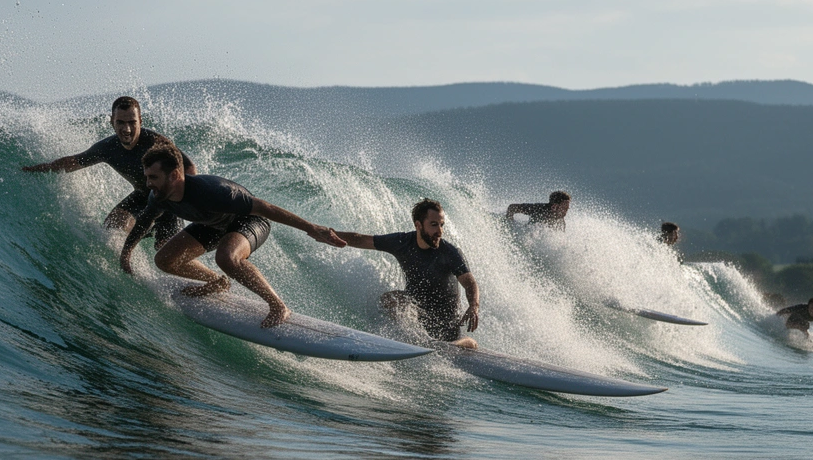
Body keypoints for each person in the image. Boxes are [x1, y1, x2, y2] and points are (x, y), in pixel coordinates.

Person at [119, 146, 346, 328]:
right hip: (212, 224)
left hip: (249, 222)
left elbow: (265, 208)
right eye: (147, 177)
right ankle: (217, 282)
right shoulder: (158, 197)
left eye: (154, 177)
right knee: (164, 260)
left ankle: (278, 306)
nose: (149, 184)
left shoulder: (214, 192)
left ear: (175, 175)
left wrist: (311, 228)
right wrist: (126, 252)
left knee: (227, 257)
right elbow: (145, 222)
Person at [23, 96, 197, 246]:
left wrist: (183, 200)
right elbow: (73, 162)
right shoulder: (107, 148)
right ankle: (130, 271)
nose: (126, 129)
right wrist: (39, 168)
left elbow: (189, 167)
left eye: (132, 122)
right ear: (111, 122)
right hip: (141, 198)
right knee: (112, 227)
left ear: (140, 121)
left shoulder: (156, 143)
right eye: (120, 122)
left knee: (165, 252)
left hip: (167, 203)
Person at [336, 199, 481, 349]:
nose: (440, 231)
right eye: (434, 225)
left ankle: (465, 343)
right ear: (418, 225)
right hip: (418, 318)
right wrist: (329, 234)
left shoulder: (450, 252)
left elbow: (470, 282)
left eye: (441, 225)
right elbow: (361, 239)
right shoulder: (403, 242)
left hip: (446, 324)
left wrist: (473, 306)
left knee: (456, 343)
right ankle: (409, 339)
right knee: (390, 298)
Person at [505, 191, 570, 230]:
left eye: (567, 208)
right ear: (554, 207)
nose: (566, 211)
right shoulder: (538, 209)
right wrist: (510, 225)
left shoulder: (561, 222)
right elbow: (512, 207)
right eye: (564, 208)